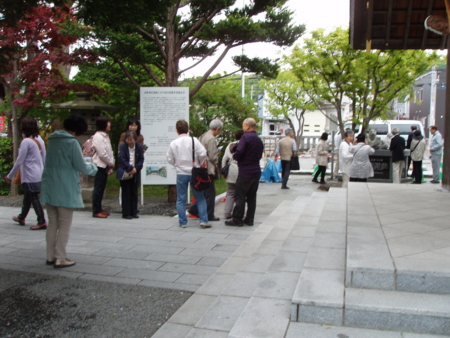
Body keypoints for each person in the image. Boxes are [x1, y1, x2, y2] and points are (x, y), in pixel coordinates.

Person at [41, 114, 98, 268]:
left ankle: (50, 256)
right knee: (64, 224)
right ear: (78, 130)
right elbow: (81, 166)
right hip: (65, 188)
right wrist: (94, 167)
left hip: (49, 185)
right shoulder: (72, 142)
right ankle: (60, 257)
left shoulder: (52, 140)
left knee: (52, 223)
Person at [166, 120, 211, 228]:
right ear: (188, 129)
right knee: (200, 197)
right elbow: (203, 153)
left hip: (181, 173)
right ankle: (204, 220)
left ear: (177, 130)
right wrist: (199, 163)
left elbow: (169, 158)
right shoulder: (194, 140)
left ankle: (183, 222)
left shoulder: (173, 143)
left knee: (181, 199)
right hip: (194, 172)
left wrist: (177, 164)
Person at [5, 118, 47, 230]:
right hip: (38, 173)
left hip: (29, 174)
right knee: (28, 196)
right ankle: (21, 217)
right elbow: (44, 158)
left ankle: (41, 221)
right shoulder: (40, 140)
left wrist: (10, 176)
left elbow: (20, 160)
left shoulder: (26, 142)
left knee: (33, 196)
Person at [225, 118, 264, 227]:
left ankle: (237, 219)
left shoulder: (245, 137)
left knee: (241, 195)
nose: (243, 128)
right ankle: (249, 219)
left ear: (247, 126)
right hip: (256, 171)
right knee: (252, 197)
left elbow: (239, 152)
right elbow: (260, 154)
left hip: (245, 171)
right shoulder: (258, 139)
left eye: (243, 126)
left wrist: (235, 155)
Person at [188, 119, 223, 221]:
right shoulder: (211, 139)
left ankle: (194, 208)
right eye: (219, 131)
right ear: (217, 129)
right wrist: (217, 156)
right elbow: (212, 157)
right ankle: (209, 214)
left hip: (200, 166)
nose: (219, 133)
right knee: (210, 192)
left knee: (204, 191)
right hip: (208, 168)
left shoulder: (202, 136)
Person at [117, 131, 144, 219]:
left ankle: (134, 211)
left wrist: (136, 168)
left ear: (135, 140)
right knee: (126, 193)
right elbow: (122, 159)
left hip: (135, 172)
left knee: (134, 192)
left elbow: (141, 159)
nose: (130, 141)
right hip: (125, 172)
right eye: (128, 139)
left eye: (131, 139)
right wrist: (130, 168)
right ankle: (126, 213)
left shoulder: (139, 147)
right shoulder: (122, 147)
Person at [91, 116, 115, 218]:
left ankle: (99, 208)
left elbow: (109, 151)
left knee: (101, 188)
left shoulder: (105, 136)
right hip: (99, 165)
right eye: (108, 123)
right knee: (98, 188)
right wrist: (110, 162)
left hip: (104, 165)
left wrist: (111, 161)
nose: (109, 125)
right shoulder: (98, 136)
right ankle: (96, 210)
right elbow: (102, 154)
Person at [222, 130, 244, 219]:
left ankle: (227, 213)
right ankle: (238, 214)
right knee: (241, 194)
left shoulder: (230, 145)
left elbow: (224, 158)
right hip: (241, 171)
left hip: (231, 171)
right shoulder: (244, 145)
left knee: (230, 193)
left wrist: (224, 170)